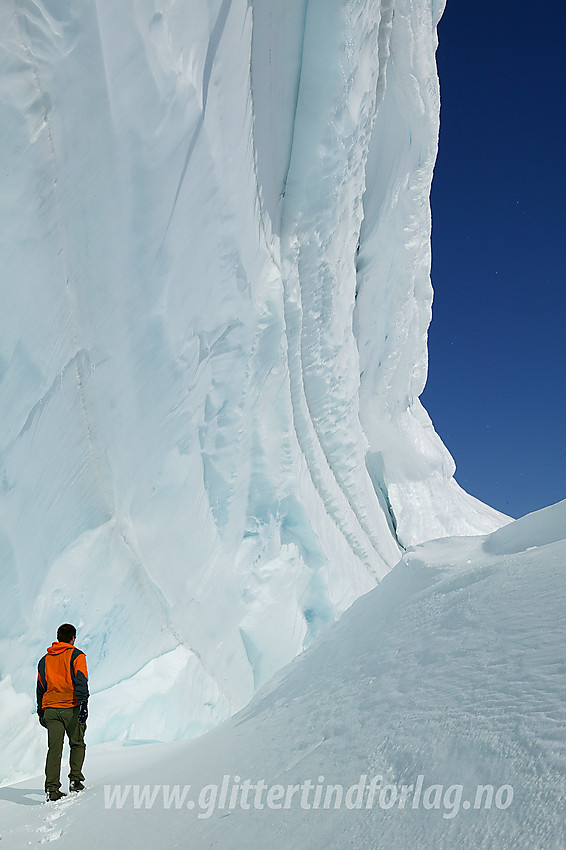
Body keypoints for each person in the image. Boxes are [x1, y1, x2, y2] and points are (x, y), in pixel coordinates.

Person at [36, 623, 89, 801]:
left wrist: (40, 710)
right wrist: (84, 705)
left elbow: (40, 687)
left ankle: (52, 789)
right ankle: (75, 780)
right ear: (73, 638)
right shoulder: (77, 655)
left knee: (54, 750)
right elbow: (81, 681)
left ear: (58, 638)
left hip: (51, 709)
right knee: (77, 744)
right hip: (71, 708)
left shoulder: (44, 660)